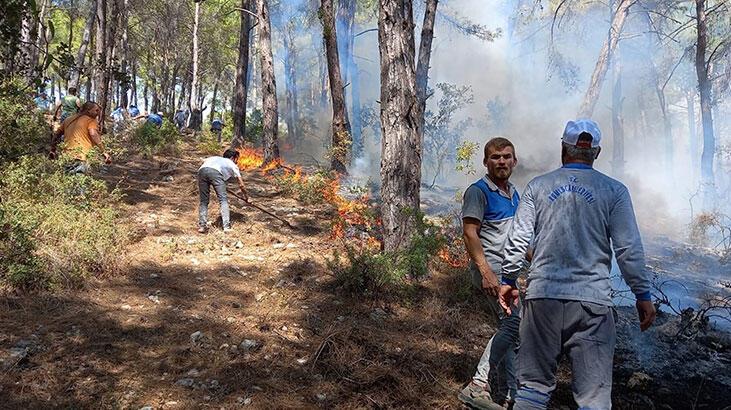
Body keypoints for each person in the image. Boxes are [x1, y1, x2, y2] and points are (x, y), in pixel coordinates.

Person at [498, 119, 656, 410]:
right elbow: (628, 249)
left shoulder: (538, 186)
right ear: (596, 152)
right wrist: (642, 295)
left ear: (563, 148)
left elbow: (518, 240)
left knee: (532, 389)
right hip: (592, 305)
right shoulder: (614, 191)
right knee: (594, 399)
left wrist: (508, 281)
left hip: (543, 299)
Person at [458, 137, 523, 410]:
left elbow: (518, 238)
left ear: (514, 161)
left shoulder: (514, 193)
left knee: (512, 333)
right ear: (486, 162)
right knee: (513, 324)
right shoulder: (478, 191)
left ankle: (512, 396)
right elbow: (469, 232)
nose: (502, 162)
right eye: (495, 157)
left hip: (510, 274)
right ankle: (477, 385)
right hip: (493, 272)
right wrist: (486, 273)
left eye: (507, 156)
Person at [51, 101, 111, 174]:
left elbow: (56, 135)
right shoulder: (91, 120)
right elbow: (93, 133)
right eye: (96, 110)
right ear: (88, 110)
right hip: (82, 158)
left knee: (68, 182)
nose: (98, 113)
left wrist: (53, 150)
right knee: (81, 184)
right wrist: (103, 151)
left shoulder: (68, 119)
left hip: (67, 157)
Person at [197, 149, 248, 233]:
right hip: (216, 174)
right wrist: (247, 197)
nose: (236, 162)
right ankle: (226, 227)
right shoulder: (231, 164)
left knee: (204, 201)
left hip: (201, 172)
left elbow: (203, 163)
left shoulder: (214, 158)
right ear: (232, 158)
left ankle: (202, 226)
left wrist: (217, 183)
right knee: (223, 200)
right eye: (236, 159)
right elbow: (241, 184)